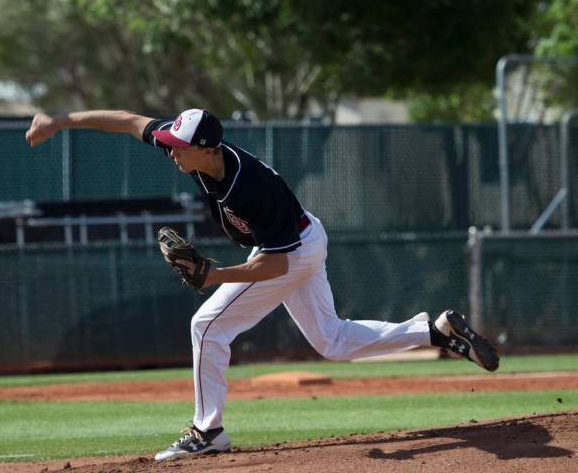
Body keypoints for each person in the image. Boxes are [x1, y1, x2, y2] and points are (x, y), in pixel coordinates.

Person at [25, 108, 500, 461]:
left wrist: (215, 275)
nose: (170, 149)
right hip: (300, 239)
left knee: (207, 325)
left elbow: (277, 266)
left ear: (207, 149)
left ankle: (207, 432)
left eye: (179, 145)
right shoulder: (199, 153)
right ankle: (434, 333)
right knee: (332, 341)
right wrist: (60, 121)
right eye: (170, 141)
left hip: (291, 250)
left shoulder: (249, 187)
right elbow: (129, 120)